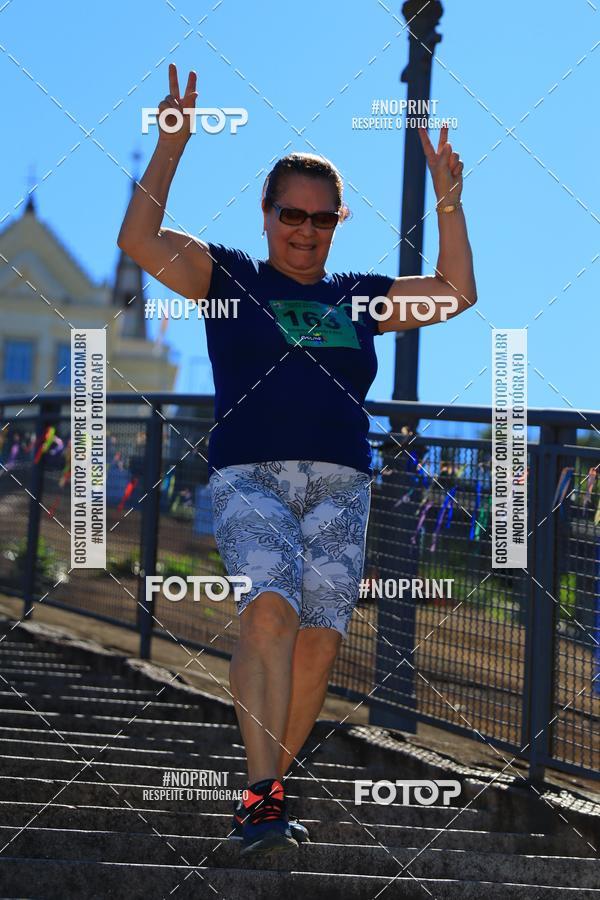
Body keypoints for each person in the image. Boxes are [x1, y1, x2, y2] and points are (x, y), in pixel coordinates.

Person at [117, 64, 477, 857]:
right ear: (267, 212)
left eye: (321, 218)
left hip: (344, 485)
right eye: (291, 214)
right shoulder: (229, 277)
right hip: (250, 476)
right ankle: (261, 796)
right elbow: (137, 240)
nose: (305, 230)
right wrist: (172, 146)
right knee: (270, 611)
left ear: (338, 221)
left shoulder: (359, 295)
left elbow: (455, 292)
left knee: (320, 642)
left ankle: (265, 799)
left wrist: (448, 200)